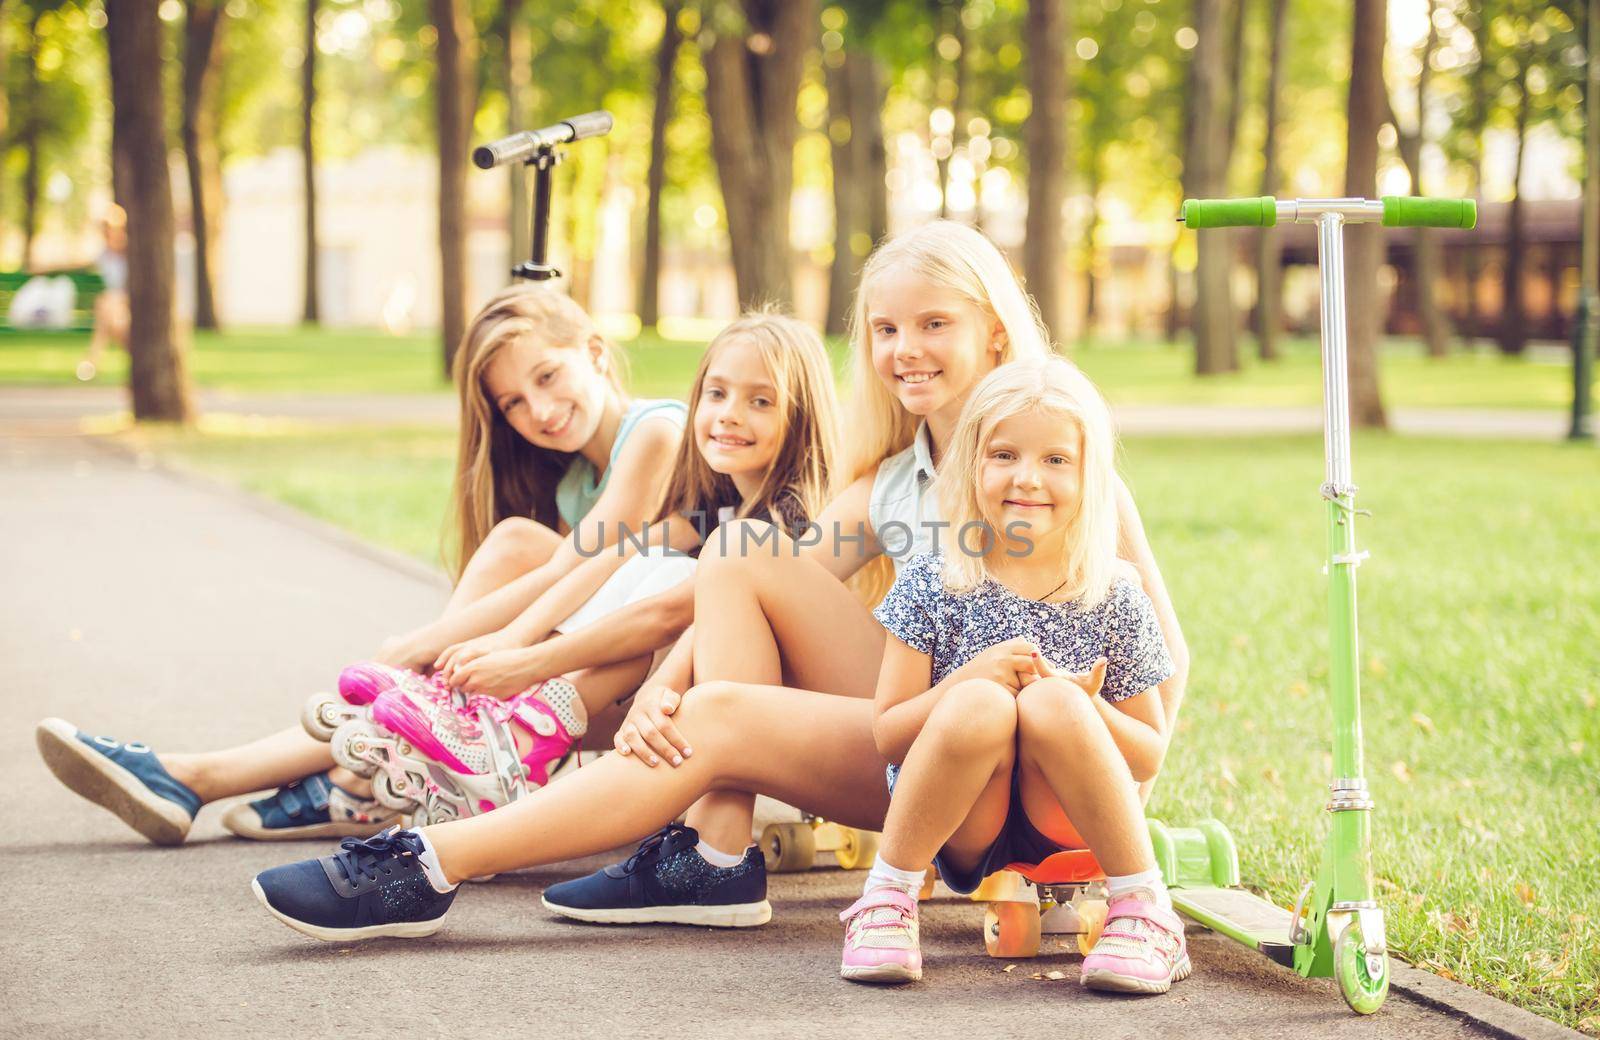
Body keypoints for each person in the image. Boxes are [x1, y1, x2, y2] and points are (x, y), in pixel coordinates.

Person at [247, 220, 1189, 942]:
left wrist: (1097, 782)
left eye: (935, 324)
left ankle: (428, 868)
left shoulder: (1050, 463)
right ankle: (714, 850)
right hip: (926, 751)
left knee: (719, 715)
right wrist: (663, 685)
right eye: (886, 327)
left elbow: (1161, 659)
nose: (905, 347)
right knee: (738, 554)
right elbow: (741, 587)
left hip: (1026, 785)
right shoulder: (892, 480)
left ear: (995, 333)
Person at [36, 284, 685, 844]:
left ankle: (251, 775)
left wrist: (423, 644)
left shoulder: (656, 432)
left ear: (595, 352)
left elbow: (571, 576)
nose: (537, 411)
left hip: (661, 689)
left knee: (517, 552)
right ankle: (335, 768)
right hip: (605, 675)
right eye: (512, 402)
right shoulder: (577, 480)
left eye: (546, 376)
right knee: (514, 547)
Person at [320, 311, 841, 828]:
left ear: (800, 415)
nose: (729, 414)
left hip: (791, 717)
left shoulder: (791, 521)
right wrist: (509, 640)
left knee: (660, 582)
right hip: (699, 689)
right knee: (644, 562)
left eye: (761, 401)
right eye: (717, 394)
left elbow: (663, 615)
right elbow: (612, 558)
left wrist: (527, 664)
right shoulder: (714, 503)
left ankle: (516, 748)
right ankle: (471, 727)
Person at [838, 358, 1186, 995]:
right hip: (964, 822)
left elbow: (1149, 753)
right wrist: (964, 681)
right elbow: (888, 735)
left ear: (1091, 477)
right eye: (1005, 455)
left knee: (1054, 703)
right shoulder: (933, 578)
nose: (1028, 478)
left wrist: (1088, 706)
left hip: (1066, 819)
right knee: (979, 705)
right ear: (973, 463)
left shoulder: (1113, 594)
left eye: (1056, 460)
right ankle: (887, 898)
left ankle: (1143, 907)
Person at [81, 205, 129, 381]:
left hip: (128, 302)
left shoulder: (129, 252)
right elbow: (82, 263)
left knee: (106, 306)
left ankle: (92, 361)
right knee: (106, 310)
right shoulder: (104, 254)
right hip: (114, 307)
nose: (107, 233)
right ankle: (93, 361)